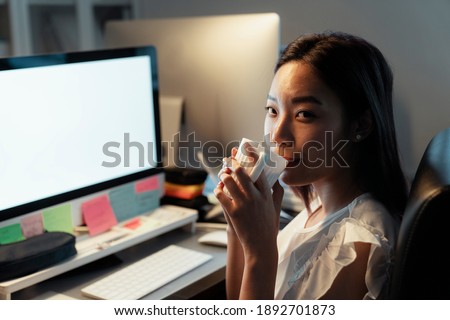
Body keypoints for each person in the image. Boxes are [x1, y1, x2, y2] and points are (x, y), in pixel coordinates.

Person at [214, 31, 409, 300]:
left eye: (304, 114)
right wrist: (237, 226)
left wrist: (261, 253)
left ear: (360, 125)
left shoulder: (355, 243)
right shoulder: (320, 206)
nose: (278, 134)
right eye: (272, 110)